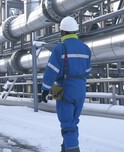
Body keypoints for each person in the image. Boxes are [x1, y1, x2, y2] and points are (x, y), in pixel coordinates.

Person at [40, 16, 91, 152]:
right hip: (80, 88)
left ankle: (72, 149)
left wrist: (45, 89)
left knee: (67, 124)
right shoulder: (86, 49)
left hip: (62, 87)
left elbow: (51, 70)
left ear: (62, 32)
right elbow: (87, 71)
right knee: (73, 121)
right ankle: (66, 148)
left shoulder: (60, 48)